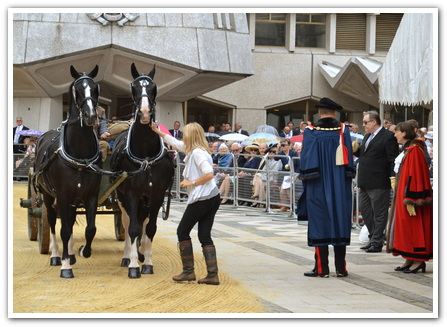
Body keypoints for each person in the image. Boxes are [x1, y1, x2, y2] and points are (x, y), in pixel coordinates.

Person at [151, 121, 221, 285]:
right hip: (211, 197)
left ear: (191, 136)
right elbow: (175, 143)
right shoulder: (196, 150)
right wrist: (158, 132)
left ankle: (188, 272)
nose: (183, 136)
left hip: (203, 197)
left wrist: (192, 183)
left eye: (185, 133)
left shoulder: (197, 153)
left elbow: (209, 174)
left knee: (182, 231)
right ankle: (212, 275)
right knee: (204, 235)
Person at [297, 97, 355, 278]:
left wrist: (307, 179)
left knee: (319, 221)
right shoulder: (343, 130)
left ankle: (322, 269)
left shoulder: (311, 131)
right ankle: (341, 268)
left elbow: (306, 158)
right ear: (335, 113)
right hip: (339, 183)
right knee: (340, 218)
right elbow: (349, 158)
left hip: (318, 182)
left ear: (319, 113)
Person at [386, 121, 432, 273]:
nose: (395, 134)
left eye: (397, 131)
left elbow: (417, 175)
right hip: (403, 193)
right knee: (405, 227)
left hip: (411, 196)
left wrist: (412, 198)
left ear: (404, 133)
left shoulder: (415, 150)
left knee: (414, 227)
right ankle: (409, 257)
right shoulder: (408, 149)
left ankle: (418, 260)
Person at [353, 110, 399, 253]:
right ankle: (373, 237)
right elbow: (365, 155)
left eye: (366, 122)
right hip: (365, 180)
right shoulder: (367, 136)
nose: (364, 125)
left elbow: (392, 159)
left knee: (379, 213)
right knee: (366, 211)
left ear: (374, 122)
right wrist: (356, 151)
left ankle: (377, 242)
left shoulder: (388, 136)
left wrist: (393, 177)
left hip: (379, 181)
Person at [275, 138, 300, 212]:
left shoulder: (294, 153)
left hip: (293, 173)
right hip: (285, 174)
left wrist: (296, 175)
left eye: (284, 145)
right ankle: (285, 206)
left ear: (289, 145)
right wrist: (277, 148)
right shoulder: (281, 153)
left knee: (289, 190)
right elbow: (276, 159)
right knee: (282, 191)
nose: (283, 147)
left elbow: (298, 165)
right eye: (282, 145)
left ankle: (293, 206)